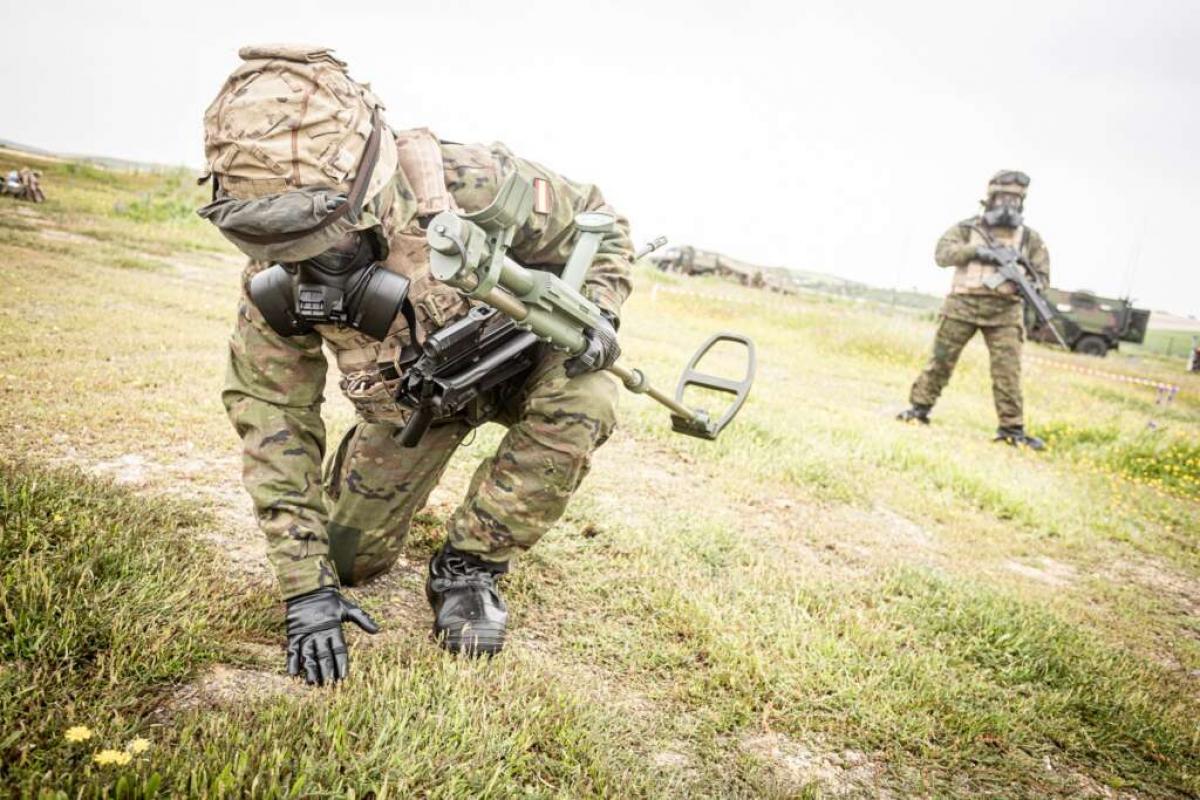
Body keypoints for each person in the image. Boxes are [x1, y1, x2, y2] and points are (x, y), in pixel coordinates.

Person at [197, 45, 632, 685]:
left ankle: (470, 566)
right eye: (275, 244)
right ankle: (359, 492)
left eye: (318, 239)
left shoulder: (471, 183)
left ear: (364, 187)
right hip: (416, 405)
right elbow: (271, 416)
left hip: (523, 361)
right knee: (348, 563)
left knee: (585, 397)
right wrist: (306, 587)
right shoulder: (273, 275)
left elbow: (604, 229)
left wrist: (600, 309)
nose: (300, 261)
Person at [897, 170, 1049, 449]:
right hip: (962, 306)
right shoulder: (968, 229)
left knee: (1008, 372)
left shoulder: (1030, 239)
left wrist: (1024, 283)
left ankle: (1011, 429)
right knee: (940, 361)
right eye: (1003, 197)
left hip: (1005, 312)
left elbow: (1042, 279)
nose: (1008, 204)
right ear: (990, 198)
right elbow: (942, 255)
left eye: (1015, 199)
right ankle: (918, 409)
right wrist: (976, 252)